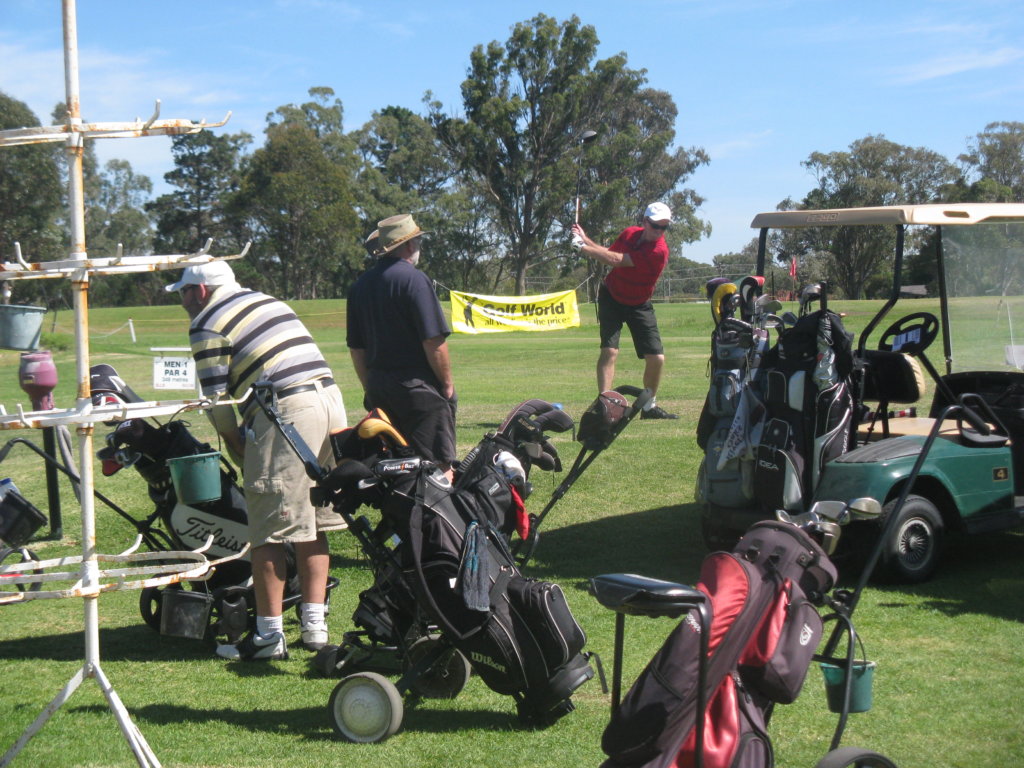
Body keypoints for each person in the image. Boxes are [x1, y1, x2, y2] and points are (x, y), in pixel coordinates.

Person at [165, 260, 347, 660]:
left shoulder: (207, 322)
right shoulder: (267, 300)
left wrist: (236, 443)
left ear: (200, 290)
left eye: (182, 292)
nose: (181, 301)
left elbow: (219, 402)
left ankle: (267, 637)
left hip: (287, 409)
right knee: (311, 519)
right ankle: (314, 627)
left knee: (268, 528)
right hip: (330, 402)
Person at [346, 213, 458, 475]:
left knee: (395, 467)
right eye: (417, 240)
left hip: (379, 387)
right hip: (417, 390)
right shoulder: (415, 280)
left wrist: (369, 388)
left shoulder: (359, 286)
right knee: (438, 468)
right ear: (409, 245)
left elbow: (356, 349)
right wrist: (447, 384)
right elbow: (434, 341)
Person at [571, 202, 679, 419]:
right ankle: (606, 407)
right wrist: (584, 239)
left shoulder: (659, 251)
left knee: (657, 358)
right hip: (611, 296)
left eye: (664, 227)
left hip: (639, 303)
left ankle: (648, 407)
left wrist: (581, 248)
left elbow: (616, 260)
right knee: (609, 351)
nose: (659, 231)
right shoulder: (630, 234)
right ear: (645, 222)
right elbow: (610, 252)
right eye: (656, 226)